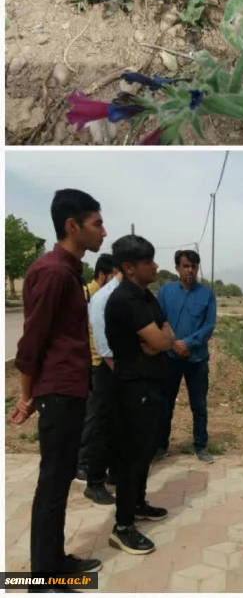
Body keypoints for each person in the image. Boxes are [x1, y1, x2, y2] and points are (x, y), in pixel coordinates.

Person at [10, 189, 107, 587]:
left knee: (61, 475)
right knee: (54, 478)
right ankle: (45, 574)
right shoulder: (52, 273)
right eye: (97, 223)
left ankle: (52, 561)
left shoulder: (68, 271)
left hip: (68, 390)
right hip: (60, 392)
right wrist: (27, 395)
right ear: (73, 226)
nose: (103, 231)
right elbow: (31, 342)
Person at [105, 235, 173, 556]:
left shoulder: (147, 296)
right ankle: (123, 526)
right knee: (132, 458)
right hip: (133, 389)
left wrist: (159, 337)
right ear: (130, 268)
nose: (156, 265)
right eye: (149, 261)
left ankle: (138, 503)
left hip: (152, 384)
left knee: (146, 451)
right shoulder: (124, 301)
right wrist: (158, 339)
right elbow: (160, 342)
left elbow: (166, 333)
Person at [156, 250, 217, 464]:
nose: (189, 270)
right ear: (177, 268)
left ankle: (201, 445)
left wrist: (188, 343)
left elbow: (209, 326)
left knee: (198, 405)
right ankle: (160, 445)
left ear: (197, 268)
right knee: (165, 404)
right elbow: (159, 321)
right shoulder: (165, 292)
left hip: (197, 359)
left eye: (193, 266)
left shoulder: (207, 295)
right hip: (170, 358)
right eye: (185, 266)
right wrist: (173, 344)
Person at [79, 264, 124, 506]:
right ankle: (94, 482)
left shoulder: (124, 295)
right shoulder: (102, 298)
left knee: (117, 425)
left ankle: (114, 472)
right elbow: (105, 347)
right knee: (102, 426)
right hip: (106, 369)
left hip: (118, 370)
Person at [75, 254, 115, 485]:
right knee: (93, 416)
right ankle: (81, 463)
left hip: (100, 362)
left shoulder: (102, 295)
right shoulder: (88, 294)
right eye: (111, 276)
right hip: (94, 363)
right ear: (102, 275)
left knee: (101, 416)